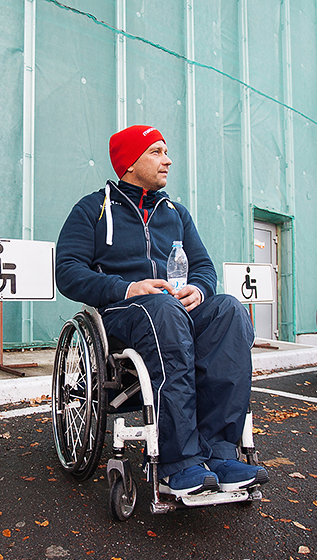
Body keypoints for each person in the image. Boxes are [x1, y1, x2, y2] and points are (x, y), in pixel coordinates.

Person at [55, 125, 268, 497]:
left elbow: (204, 268)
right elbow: (68, 270)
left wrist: (199, 291)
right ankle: (178, 462)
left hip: (174, 311)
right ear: (130, 163)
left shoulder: (176, 214)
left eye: (166, 151)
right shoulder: (92, 208)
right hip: (123, 316)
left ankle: (219, 453)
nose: (167, 159)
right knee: (162, 312)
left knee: (229, 311)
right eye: (156, 152)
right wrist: (125, 287)